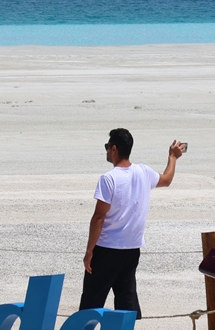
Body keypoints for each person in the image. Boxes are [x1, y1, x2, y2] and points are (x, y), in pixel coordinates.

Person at [79, 128, 186, 317]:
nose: (107, 150)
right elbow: (167, 179)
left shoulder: (108, 178)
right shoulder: (143, 171)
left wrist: (89, 251)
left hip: (107, 249)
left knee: (90, 304)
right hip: (131, 249)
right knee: (126, 302)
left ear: (114, 149)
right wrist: (173, 157)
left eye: (107, 146)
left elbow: (99, 217)